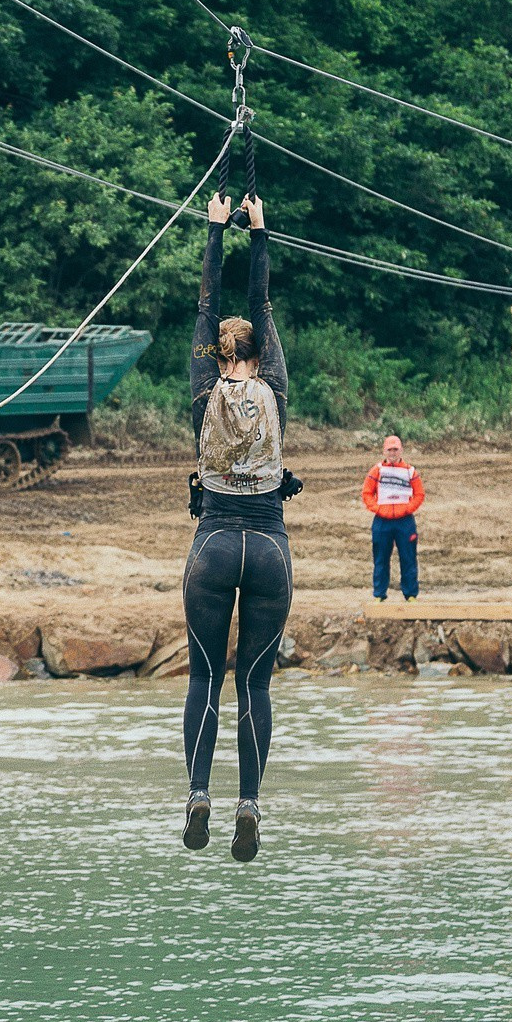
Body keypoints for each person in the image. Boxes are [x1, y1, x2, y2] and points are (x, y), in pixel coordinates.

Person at [181, 191, 291, 863]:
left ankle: (199, 790)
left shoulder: (203, 392)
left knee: (203, 677)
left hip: (214, 541)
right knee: (254, 681)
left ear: (217, 355)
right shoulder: (275, 387)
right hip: (270, 546)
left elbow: (205, 305)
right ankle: (249, 802)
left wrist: (214, 228)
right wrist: (259, 228)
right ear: (256, 351)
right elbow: (263, 305)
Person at [362, 435, 424, 600]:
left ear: (401, 450)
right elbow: (366, 493)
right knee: (381, 559)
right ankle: (379, 595)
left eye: (395, 449)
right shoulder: (377, 470)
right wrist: (378, 509)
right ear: (384, 451)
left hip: (405, 521)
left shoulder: (410, 471)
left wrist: (407, 509)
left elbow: (419, 494)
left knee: (408, 558)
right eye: (389, 449)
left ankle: (411, 595)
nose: (392, 453)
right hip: (382, 521)